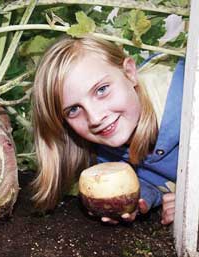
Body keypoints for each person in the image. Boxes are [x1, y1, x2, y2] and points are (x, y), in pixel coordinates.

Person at [31, 36, 185, 225]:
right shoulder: (104, 151)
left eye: (102, 90)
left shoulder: (187, 94)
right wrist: (138, 198)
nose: (95, 118)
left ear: (129, 73)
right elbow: (152, 177)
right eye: (73, 110)